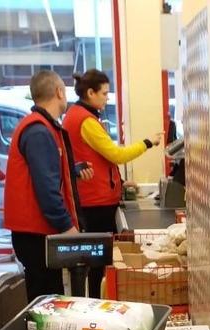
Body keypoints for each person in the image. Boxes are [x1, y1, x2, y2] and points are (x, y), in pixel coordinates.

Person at [62, 69, 163, 298]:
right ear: (90, 92)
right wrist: (148, 142)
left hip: (93, 198)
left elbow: (99, 159)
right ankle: (98, 305)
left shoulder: (78, 115)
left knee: (98, 261)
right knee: (99, 262)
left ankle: (98, 303)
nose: (107, 98)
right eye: (105, 93)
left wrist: (119, 181)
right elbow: (116, 154)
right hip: (95, 202)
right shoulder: (85, 120)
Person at [4, 70, 92, 301]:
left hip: (37, 233)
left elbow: (43, 173)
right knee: (47, 300)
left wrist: (71, 172)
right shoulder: (39, 131)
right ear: (59, 92)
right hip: (36, 235)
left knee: (48, 295)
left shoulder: (42, 127)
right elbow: (46, 189)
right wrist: (68, 228)